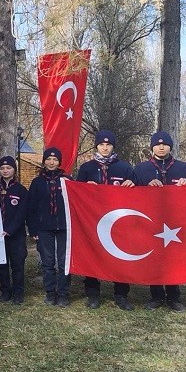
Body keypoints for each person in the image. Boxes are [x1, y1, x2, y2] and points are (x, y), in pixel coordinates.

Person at [133, 131, 186, 312]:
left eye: (165, 144)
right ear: (152, 147)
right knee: (154, 258)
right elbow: (131, 196)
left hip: (176, 223)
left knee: (174, 259)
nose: (161, 147)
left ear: (171, 147)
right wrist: (145, 187)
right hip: (151, 222)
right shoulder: (140, 169)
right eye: (157, 145)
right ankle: (156, 296)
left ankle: (174, 297)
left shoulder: (184, 168)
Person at [75, 130, 136, 310]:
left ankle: (121, 295)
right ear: (97, 146)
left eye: (108, 145)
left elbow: (137, 196)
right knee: (92, 254)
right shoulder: (87, 168)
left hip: (118, 221)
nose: (105, 147)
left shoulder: (125, 168)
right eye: (102, 144)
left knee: (120, 256)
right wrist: (84, 188)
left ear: (113, 147)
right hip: (92, 220)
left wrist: (132, 186)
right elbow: (77, 194)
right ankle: (93, 294)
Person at [27, 147, 72, 307]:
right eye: (48, 159)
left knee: (63, 262)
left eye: (55, 159)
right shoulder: (37, 182)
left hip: (64, 227)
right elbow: (31, 207)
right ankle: (50, 292)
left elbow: (76, 203)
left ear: (59, 162)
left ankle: (63, 293)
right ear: (44, 161)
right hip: (44, 227)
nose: (51, 162)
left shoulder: (67, 180)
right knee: (48, 262)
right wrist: (33, 229)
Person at [0, 156, 28, 305]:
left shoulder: (20, 190)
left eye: (8, 168)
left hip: (16, 234)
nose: (5, 170)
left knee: (17, 264)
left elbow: (22, 213)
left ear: (14, 170)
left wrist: (10, 230)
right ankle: (5, 291)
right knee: (2, 265)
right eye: (2, 168)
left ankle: (18, 292)